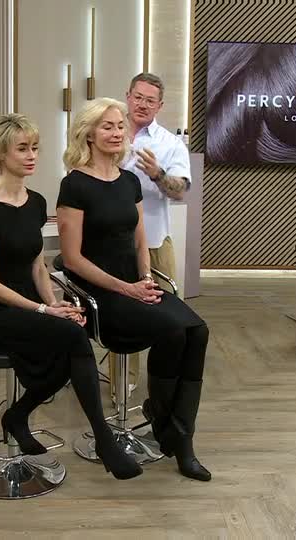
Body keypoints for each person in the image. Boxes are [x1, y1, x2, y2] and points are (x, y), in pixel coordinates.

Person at [0, 113, 142, 480]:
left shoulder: (35, 201)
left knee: (71, 340)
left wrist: (56, 303)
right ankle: (104, 439)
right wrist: (45, 309)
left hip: (29, 305)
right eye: (22, 149)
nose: (32, 156)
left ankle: (16, 415)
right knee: (73, 336)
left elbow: (38, 267)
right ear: (0, 153)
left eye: (35, 148)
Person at [56, 98, 212, 482]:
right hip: (101, 294)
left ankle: (176, 432)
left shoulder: (129, 181)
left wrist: (144, 277)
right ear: (89, 134)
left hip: (136, 286)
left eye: (120, 126)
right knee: (174, 330)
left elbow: (141, 240)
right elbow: (72, 259)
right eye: (107, 126)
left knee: (197, 331)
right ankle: (170, 431)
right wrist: (126, 289)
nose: (116, 132)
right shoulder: (74, 185)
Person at [120, 73, 193, 390]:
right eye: (138, 97)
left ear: (159, 106)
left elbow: (180, 191)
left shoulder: (169, 143)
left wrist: (157, 173)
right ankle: (124, 382)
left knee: (169, 312)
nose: (142, 104)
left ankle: (165, 378)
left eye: (150, 100)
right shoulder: (109, 132)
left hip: (153, 237)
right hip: (113, 240)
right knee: (122, 314)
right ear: (128, 96)